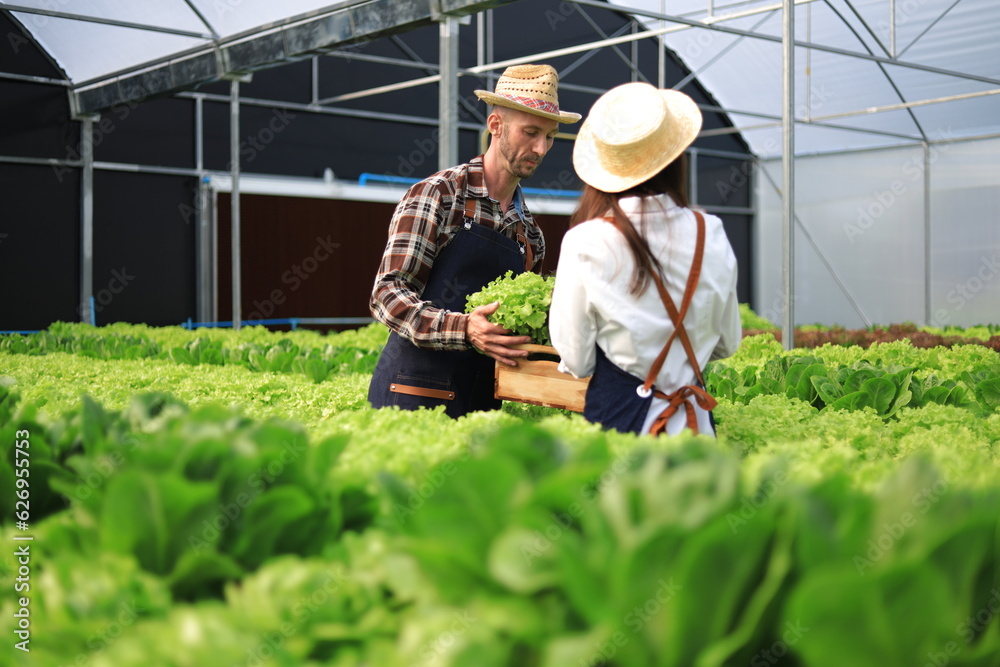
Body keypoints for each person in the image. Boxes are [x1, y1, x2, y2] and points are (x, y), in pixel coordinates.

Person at [368, 64, 581, 418]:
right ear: (495, 126)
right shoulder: (439, 195)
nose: (541, 148)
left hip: (482, 408)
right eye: (530, 132)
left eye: (550, 137)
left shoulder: (529, 234)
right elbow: (386, 295)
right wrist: (465, 328)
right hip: (410, 395)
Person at [549, 82, 741, 436]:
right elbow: (727, 343)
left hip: (621, 425)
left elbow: (576, 360)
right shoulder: (709, 231)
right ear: (675, 158)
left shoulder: (586, 240)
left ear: (609, 168)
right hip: (694, 429)